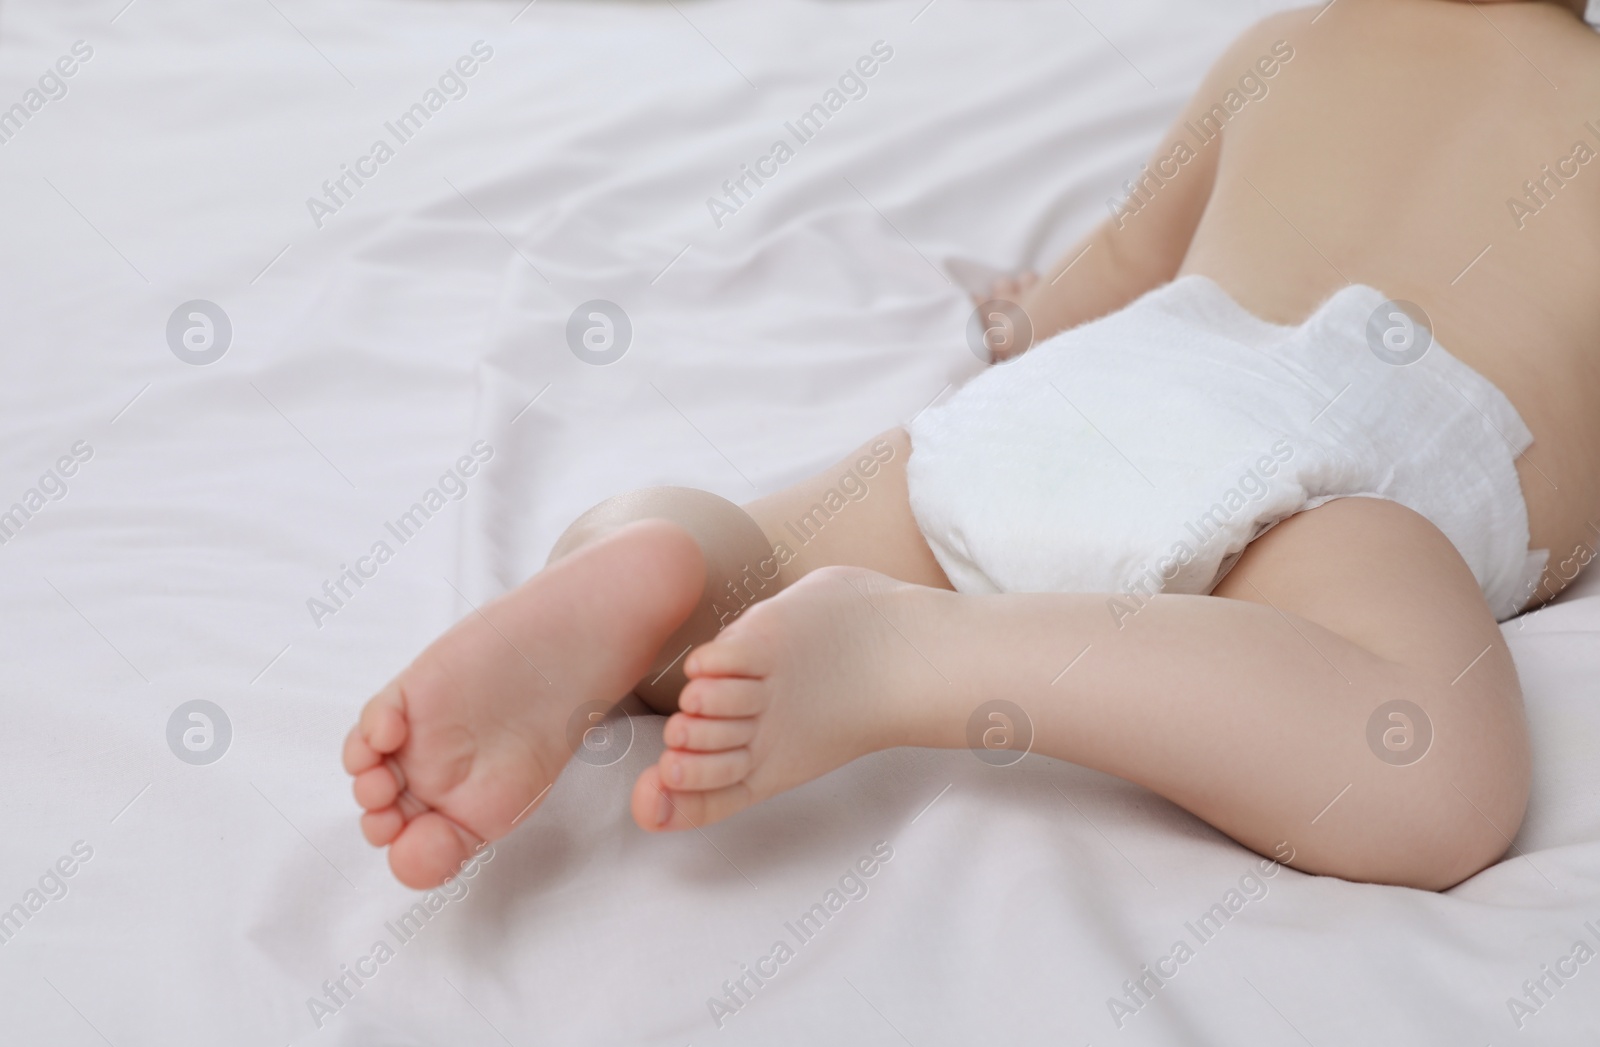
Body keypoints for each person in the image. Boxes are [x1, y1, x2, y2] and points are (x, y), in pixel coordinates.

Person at [343, 0, 1600, 892]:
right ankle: (911, 655)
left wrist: (1019, 319)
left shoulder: (1296, 43)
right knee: (1433, 776)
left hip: (1099, 382)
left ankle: (643, 553)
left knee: (755, 567)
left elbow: (1093, 284)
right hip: (1357, 468)